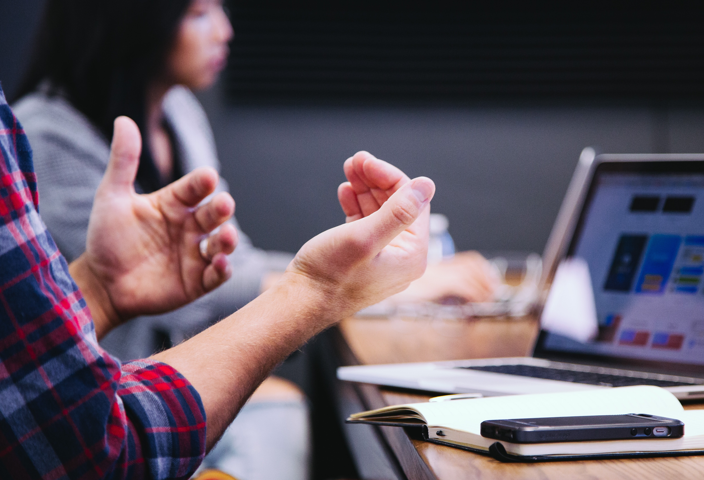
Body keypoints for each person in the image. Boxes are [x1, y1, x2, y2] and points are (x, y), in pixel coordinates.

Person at [0, 84, 436, 478]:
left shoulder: (180, 110)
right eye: (201, 12)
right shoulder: (45, 132)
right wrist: (317, 290)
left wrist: (98, 290)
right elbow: (95, 449)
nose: (225, 30)